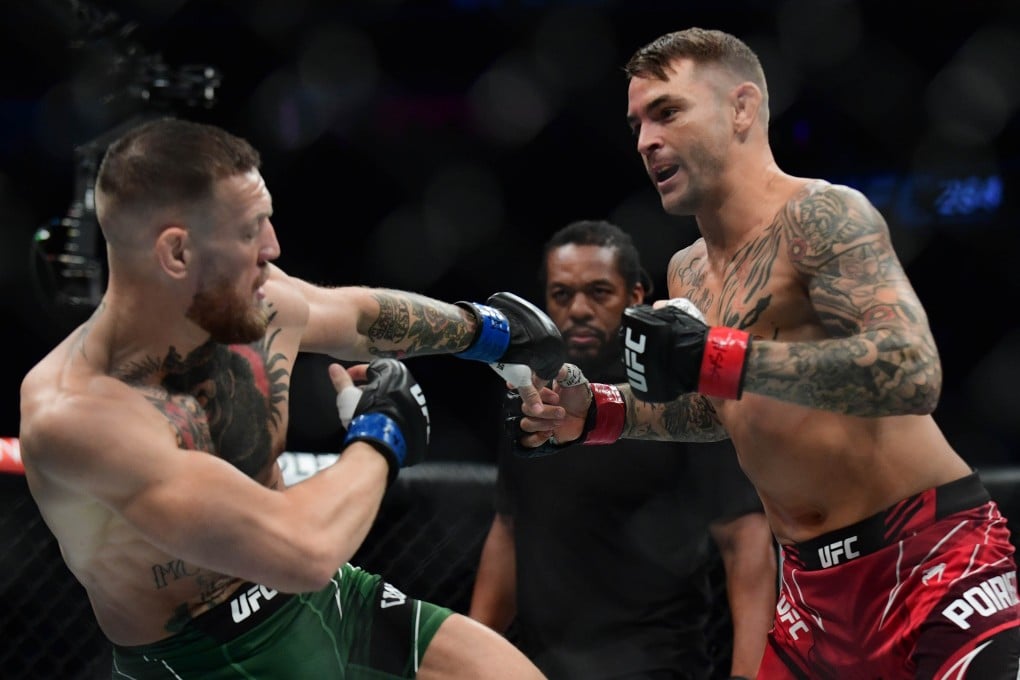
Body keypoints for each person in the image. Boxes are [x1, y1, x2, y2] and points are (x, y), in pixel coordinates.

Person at [510, 28, 1020, 678]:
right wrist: (601, 413)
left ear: (741, 108)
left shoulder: (824, 216)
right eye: (637, 123)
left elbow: (911, 372)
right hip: (811, 597)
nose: (645, 141)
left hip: (930, 560)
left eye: (667, 111)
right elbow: (723, 409)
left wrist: (719, 355)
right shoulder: (686, 271)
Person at [16, 116, 566, 679]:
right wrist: (382, 433)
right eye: (251, 230)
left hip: (327, 600)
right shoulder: (79, 415)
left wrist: (487, 331)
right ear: (177, 253)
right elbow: (302, 550)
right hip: (207, 658)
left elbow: (355, 316)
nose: (272, 247)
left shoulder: (249, 300)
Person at [469, 219, 776, 680]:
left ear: (635, 297)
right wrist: (473, 654)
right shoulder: (527, 391)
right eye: (562, 295)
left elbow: (745, 542)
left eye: (598, 292)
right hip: (538, 667)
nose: (578, 310)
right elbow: (509, 527)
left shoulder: (678, 392)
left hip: (656, 665)